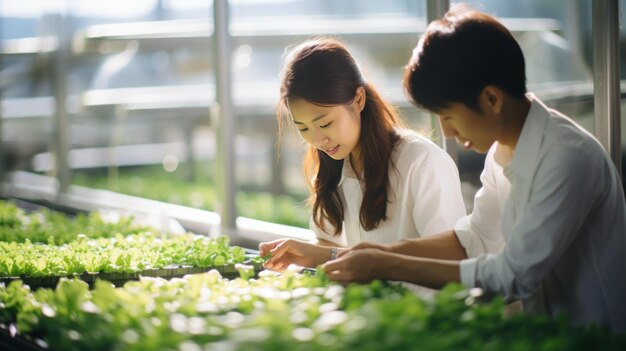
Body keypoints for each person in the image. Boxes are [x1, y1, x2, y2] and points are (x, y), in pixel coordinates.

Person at [323, 5, 626, 330]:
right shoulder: (505, 150)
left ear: (491, 99)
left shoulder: (566, 157)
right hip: (547, 331)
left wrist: (388, 264)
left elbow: (513, 276)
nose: (447, 132)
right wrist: (384, 251)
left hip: (597, 337)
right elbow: (475, 238)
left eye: (449, 116)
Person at [259, 37, 466, 271]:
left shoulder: (421, 162)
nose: (318, 140)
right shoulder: (332, 162)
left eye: (325, 124)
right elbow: (331, 243)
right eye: (303, 128)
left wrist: (335, 256)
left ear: (358, 99)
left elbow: (450, 258)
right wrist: (307, 253)